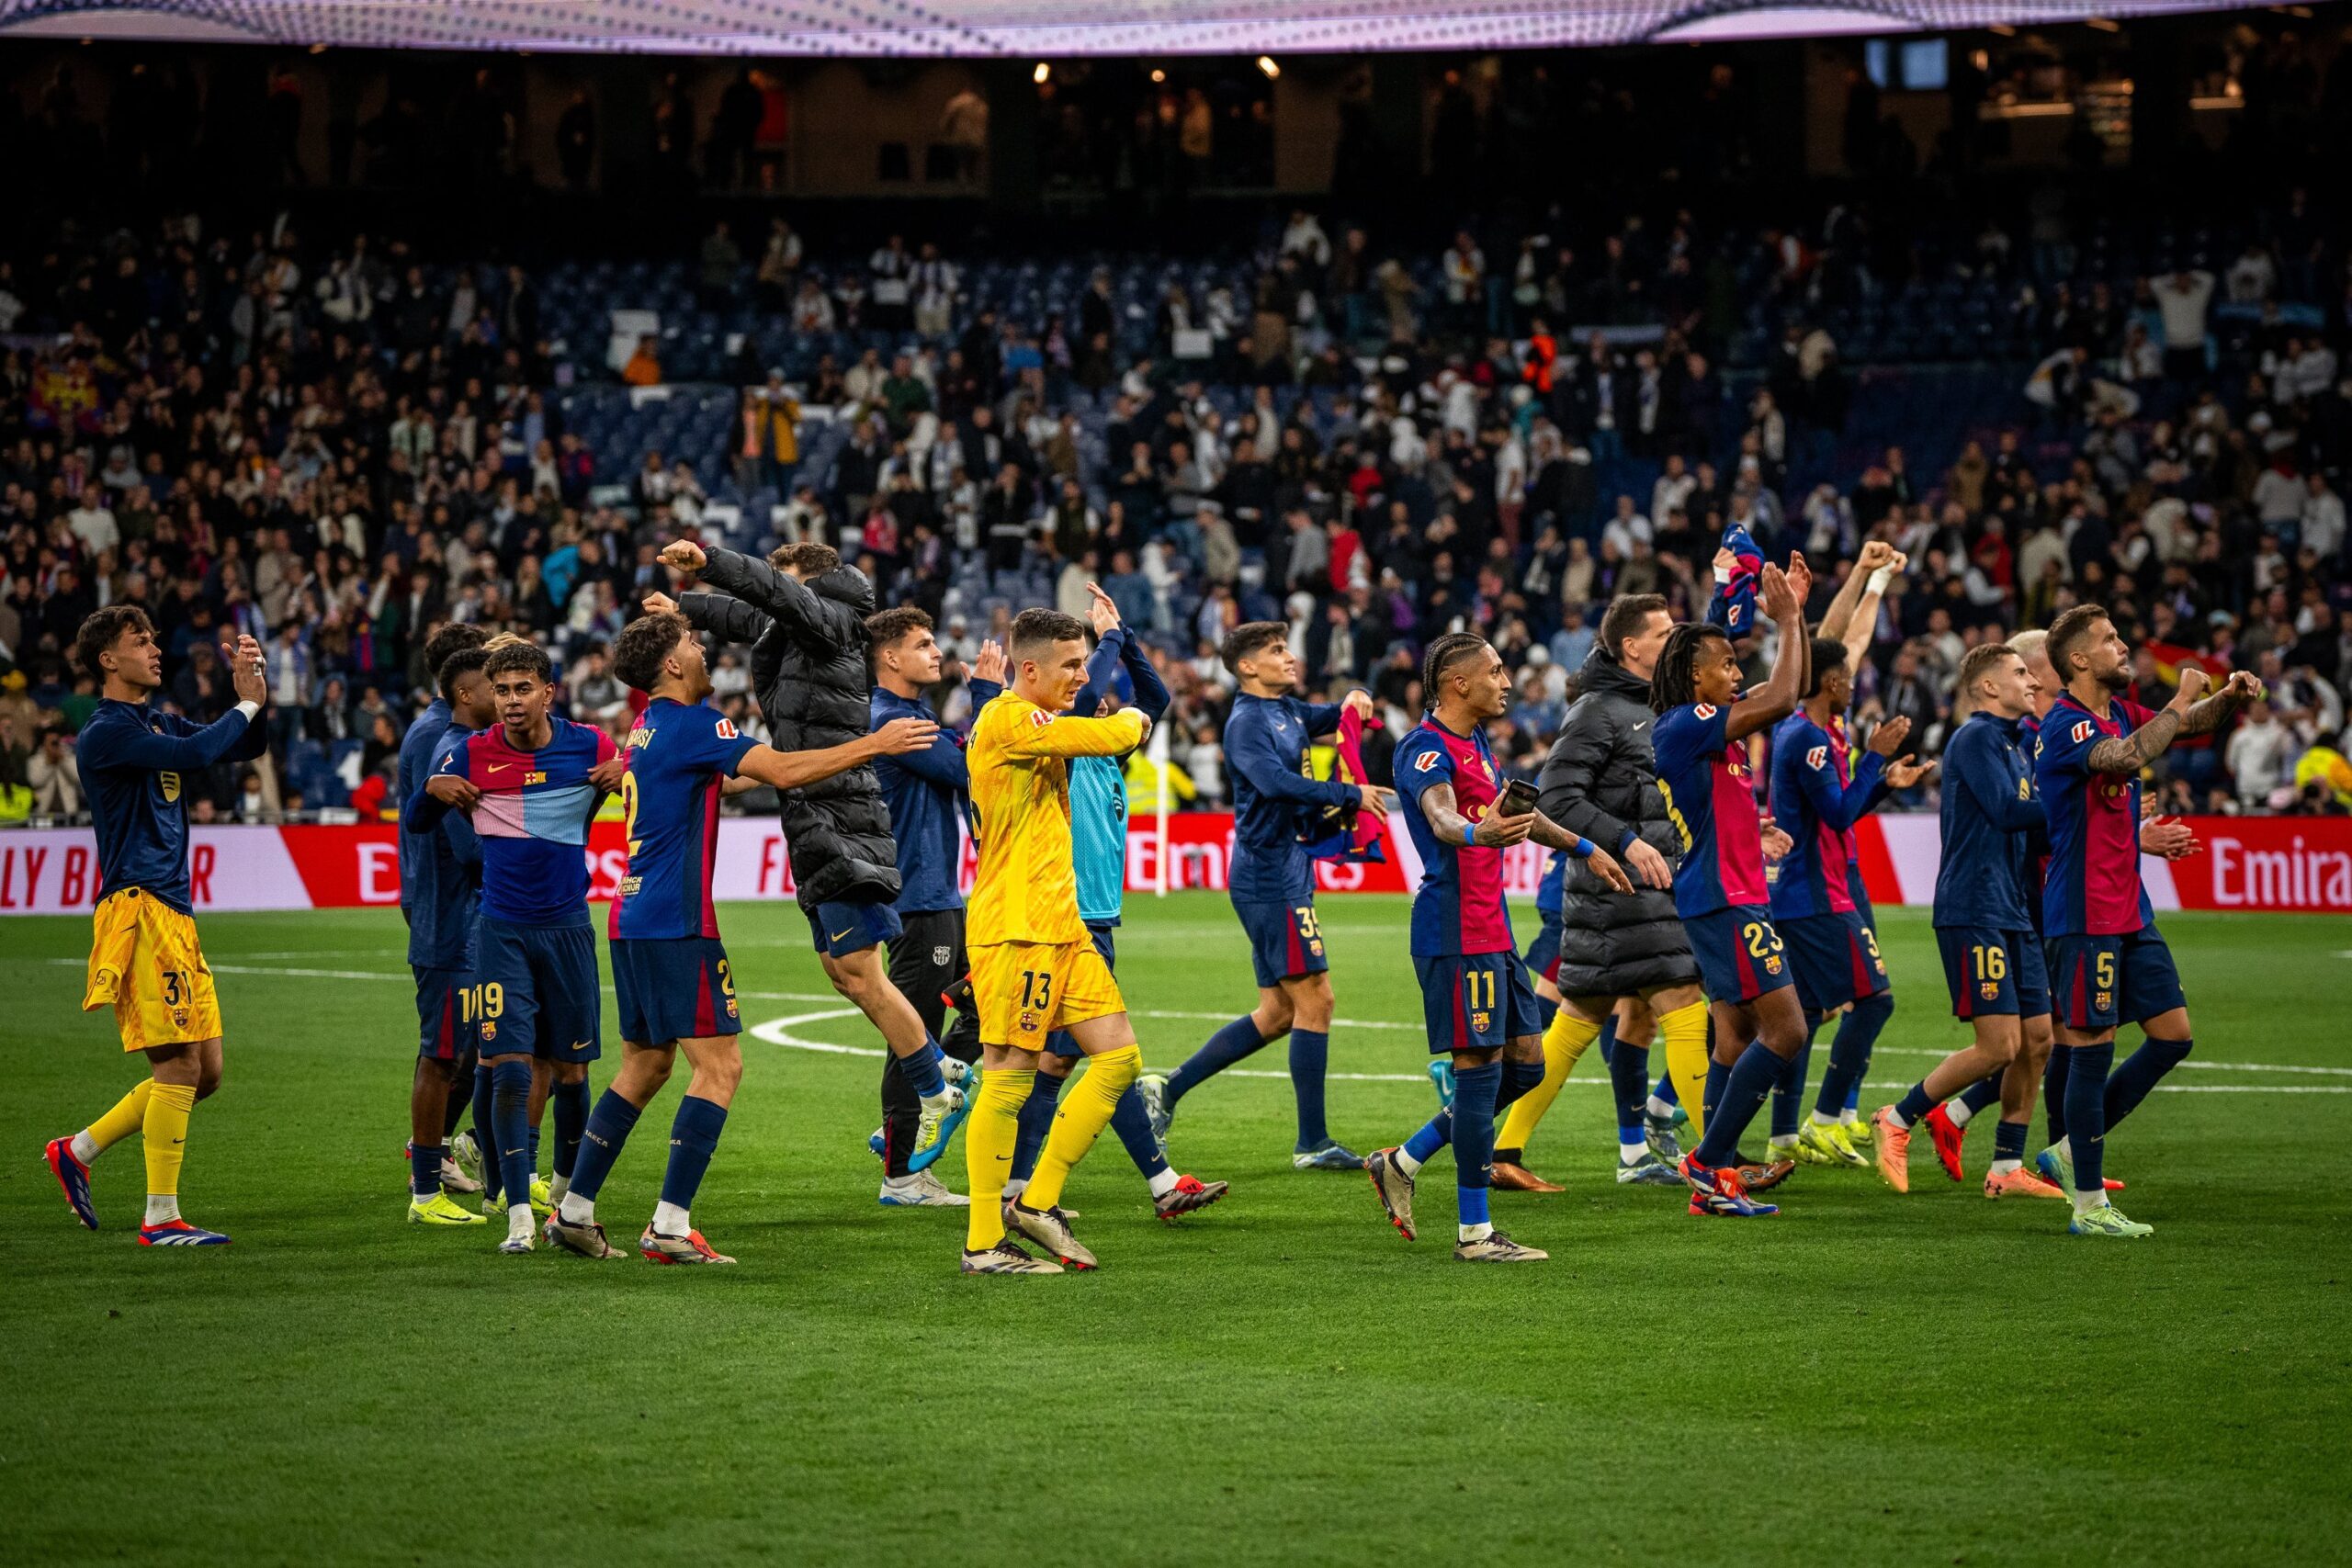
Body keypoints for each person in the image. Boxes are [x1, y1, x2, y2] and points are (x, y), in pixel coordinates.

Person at [545, 611, 940, 1264]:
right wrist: (875, 743)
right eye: (692, 644)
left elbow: (737, 775)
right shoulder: (697, 723)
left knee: (644, 1066)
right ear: (671, 666)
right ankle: (670, 1225)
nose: (703, 653)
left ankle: (576, 1211)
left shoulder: (647, 728)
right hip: (678, 921)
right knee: (720, 1066)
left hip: (631, 915)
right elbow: (781, 770)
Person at [662, 539, 970, 1162]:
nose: (779, 592)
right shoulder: (796, 629)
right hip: (811, 810)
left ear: (814, 583)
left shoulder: (832, 623)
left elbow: (774, 597)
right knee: (841, 971)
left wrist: (712, 562)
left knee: (863, 972)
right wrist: (683, 608)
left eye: (788, 582)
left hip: (840, 815)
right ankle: (939, 1065)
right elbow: (755, 614)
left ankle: (937, 1089)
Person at [1363, 633, 1634, 1264]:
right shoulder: (1425, 747)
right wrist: (1476, 830)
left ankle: (1401, 1160)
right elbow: (1441, 816)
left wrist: (1587, 849)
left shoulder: (1475, 742)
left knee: (1528, 1067)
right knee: (1480, 1073)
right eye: (1495, 670)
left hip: (1493, 931)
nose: (1506, 680)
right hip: (1455, 931)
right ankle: (1475, 1234)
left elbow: (1519, 817)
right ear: (1458, 682)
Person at [2029, 605, 2259, 1237]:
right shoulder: (2066, 726)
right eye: (2109, 640)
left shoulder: (2122, 710)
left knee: (2174, 1034)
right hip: (2082, 914)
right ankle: (2087, 1204)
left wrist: (2229, 696)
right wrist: (2181, 693)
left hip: (2128, 908)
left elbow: (2186, 725)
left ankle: (2072, 1149)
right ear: (2079, 659)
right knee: (2092, 1048)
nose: (2123, 646)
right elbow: (2127, 756)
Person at [44, 607, 268, 1247]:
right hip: (140, 908)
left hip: (175, 910)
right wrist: (242, 707)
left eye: (152, 637)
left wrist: (254, 694)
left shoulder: (154, 719)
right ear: (107, 661)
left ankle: (78, 1149)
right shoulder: (107, 730)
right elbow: (198, 750)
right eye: (138, 640)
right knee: (177, 1064)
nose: (155, 647)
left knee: (208, 1071)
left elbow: (240, 744)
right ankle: (160, 1216)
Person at [1006, 584, 1227, 1224]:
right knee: (1103, 1052)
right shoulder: (1059, 746)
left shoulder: (1104, 752)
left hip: (1094, 916)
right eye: (1079, 681)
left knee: (1053, 1059)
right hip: (1065, 918)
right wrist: (1103, 641)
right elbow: (1097, 691)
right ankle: (1160, 1182)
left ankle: (1017, 1185)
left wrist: (1123, 637)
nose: (1094, 689)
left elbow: (1155, 699)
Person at [1138, 620, 1387, 1171]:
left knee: (1277, 1013)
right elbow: (1275, 783)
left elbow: (1340, 716)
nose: (1289, 657)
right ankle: (1313, 1143)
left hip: (1286, 869)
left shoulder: (1289, 711)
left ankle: (1164, 1088)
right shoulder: (1245, 724)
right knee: (1316, 1000)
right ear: (1247, 666)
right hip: (1268, 876)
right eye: (1276, 651)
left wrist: (1356, 696)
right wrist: (1350, 794)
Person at [956, 608, 1157, 1275]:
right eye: (1072, 665)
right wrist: (1130, 721)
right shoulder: (1011, 717)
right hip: (1015, 928)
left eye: (1084, 662)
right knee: (1009, 1074)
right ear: (1030, 668)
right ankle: (984, 1240)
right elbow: (1109, 735)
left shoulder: (1035, 719)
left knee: (1119, 1056)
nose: (1082, 675)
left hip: (1060, 924)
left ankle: (1036, 1202)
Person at [407, 638, 624, 1255]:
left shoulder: (589, 745)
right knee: (508, 1069)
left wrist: (624, 775)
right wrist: (434, 790)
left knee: (573, 1072)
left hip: (568, 930)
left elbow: (640, 798)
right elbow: (417, 822)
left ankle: (567, 1200)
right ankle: (520, 1217)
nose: (509, 701)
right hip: (498, 932)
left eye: (522, 688)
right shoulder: (472, 752)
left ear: (548, 692)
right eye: (500, 690)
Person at [1498, 593, 1710, 1193]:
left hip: (1638, 885)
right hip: (1618, 884)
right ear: (1630, 647)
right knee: (1682, 994)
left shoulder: (1655, 706)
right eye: (1664, 633)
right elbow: (1557, 798)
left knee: (1589, 1017)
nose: (1675, 641)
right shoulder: (1599, 710)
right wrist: (1624, 842)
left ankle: (1506, 1146)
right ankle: (1717, 1156)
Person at [1649, 553, 1815, 1217]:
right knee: (1789, 1031)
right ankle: (1709, 1162)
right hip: (1725, 898)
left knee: (1735, 1038)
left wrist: (1785, 621)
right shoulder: (1685, 722)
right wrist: (1790, 620)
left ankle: (1718, 1171)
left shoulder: (1706, 728)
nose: (1737, 673)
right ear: (1696, 677)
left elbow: (1781, 692)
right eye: (1726, 666)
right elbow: (1782, 698)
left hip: (1727, 893)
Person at [1869, 642, 2064, 1200]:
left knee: (2038, 1041)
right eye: (2022, 673)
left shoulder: (2016, 745)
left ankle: (2006, 1168)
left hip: (2013, 908)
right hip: (1973, 906)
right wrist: (2072, 806)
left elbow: (2038, 828)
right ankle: (1899, 1117)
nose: (2033, 682)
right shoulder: (1977, 737)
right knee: (1999, 1046)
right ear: (1988, 687)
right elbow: (2007, 812)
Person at [1765, 637, 1922, 1169]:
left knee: (1804, 1016)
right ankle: (1827, 1117)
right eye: (1850, 678)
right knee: (1875, 1001)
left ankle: (1783, 1136)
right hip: (1816, 898)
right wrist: (1874, 759)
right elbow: (1835, 814)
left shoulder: (1803, 732)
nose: (1854, 687)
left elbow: (1839, 808)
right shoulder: (1808, 738)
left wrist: (1880, 781)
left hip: (1802, 893)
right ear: (1831, 682)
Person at [864, 605, 994, 1207]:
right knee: (911, 1033)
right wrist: (988, 699)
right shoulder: (894, 719)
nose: (935, 650)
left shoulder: (913, 715)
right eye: (922, 643)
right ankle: (900, 1174)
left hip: (940, 893)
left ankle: (920, 1109)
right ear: (889, 657)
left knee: (985, 1006)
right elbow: (976, 766)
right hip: (917, 900)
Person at [395, 624, 492, 1225]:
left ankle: (458, 1158)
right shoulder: (442, 740)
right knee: (446, 1052)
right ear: (463, 686)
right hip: (448, 915)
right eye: (491, 680)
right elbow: (465, 843)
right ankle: (427, 1177)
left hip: (452, 910)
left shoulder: (442, 730)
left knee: (480, 1046)